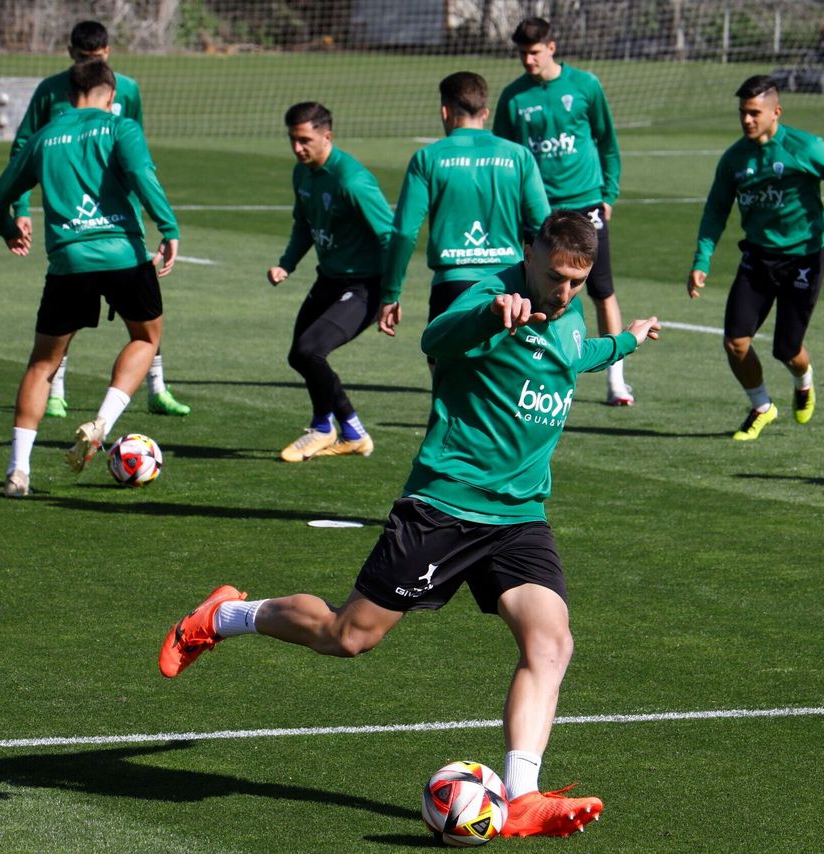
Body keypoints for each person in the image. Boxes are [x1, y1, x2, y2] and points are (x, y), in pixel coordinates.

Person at [160, 211, 661, 837]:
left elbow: (574, 355)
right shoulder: (490, 296)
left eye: (577, 282)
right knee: (348, 636)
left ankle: (523, 795)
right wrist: (490, 316)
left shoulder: (570, 312)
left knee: (551, 642)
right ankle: (224, 616)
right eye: (556, 276)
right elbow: (438, 338)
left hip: (519, 516)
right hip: (444, 506)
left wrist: (627, 341)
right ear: (530, 251)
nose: (564, 293)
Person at [0, 59, 180, 498]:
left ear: (70, 94)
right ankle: (103, 423)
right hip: (123, 256)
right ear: (111, 95)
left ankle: (18, 471)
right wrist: (168, 227)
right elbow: (142, 176)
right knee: (146, 339)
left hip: (69, 262)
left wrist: (9, 229)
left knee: (43, 364)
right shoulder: (121, 127)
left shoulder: (44, 137)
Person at [8, 20, 193, 419]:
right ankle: (56, 390)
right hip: (72, 220)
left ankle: (157, 388)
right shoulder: (51, 91)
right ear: (70, 54)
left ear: (107, 53)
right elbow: (24, 146)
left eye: (95, 57)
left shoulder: (127, 88)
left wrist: (144, 204)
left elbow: (135, 144)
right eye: (82, 57)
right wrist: (21, 208)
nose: (88, 64)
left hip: (120, 217)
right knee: (66, 316)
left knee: (144, 313)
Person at [688, 75, 824, 440]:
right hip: (758, 258)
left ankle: (804, 381)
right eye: (743, 112)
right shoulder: (734, 159)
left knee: (787, 350)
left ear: (776, 112)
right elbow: (716, 210)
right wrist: (701, 260)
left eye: (754, 113)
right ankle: (761, 406)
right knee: (735, 342)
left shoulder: (805, 147)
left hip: (804, 259)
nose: (747, 120)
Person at [494, 17, 632, 406]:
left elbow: (607, 142)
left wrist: (609, 194)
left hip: (586, 204)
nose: (528, 60)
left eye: (534, 52)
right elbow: (505, 157)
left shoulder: (585, 86)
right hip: (539, 212)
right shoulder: (513, 98)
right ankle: (526, 373)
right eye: (522, 54)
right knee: (530, 291)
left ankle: (616, 381)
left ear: (551, 47)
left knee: (601, 289)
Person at [380, 71, 550, 348]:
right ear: (485, 112)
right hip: (509, 288)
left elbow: (404, 233)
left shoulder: (428, 157)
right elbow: (546, 226)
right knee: (507, 372)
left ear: (445, 112)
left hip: (452, 288)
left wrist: (390, 294)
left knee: (445, 371)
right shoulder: (518, 156)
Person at [269, 102, 394, 462]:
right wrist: (287, 264)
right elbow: (304, 224)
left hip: (365, 286)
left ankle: (348, 429)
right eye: (292, 140)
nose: (297, 148)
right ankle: (327, 427)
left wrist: (392, 295)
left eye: (305, 140)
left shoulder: (351, 180)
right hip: (329, 279)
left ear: (327, 136)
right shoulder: (302, 173)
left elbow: (391, 237)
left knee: (310, 351)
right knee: (299, 356)